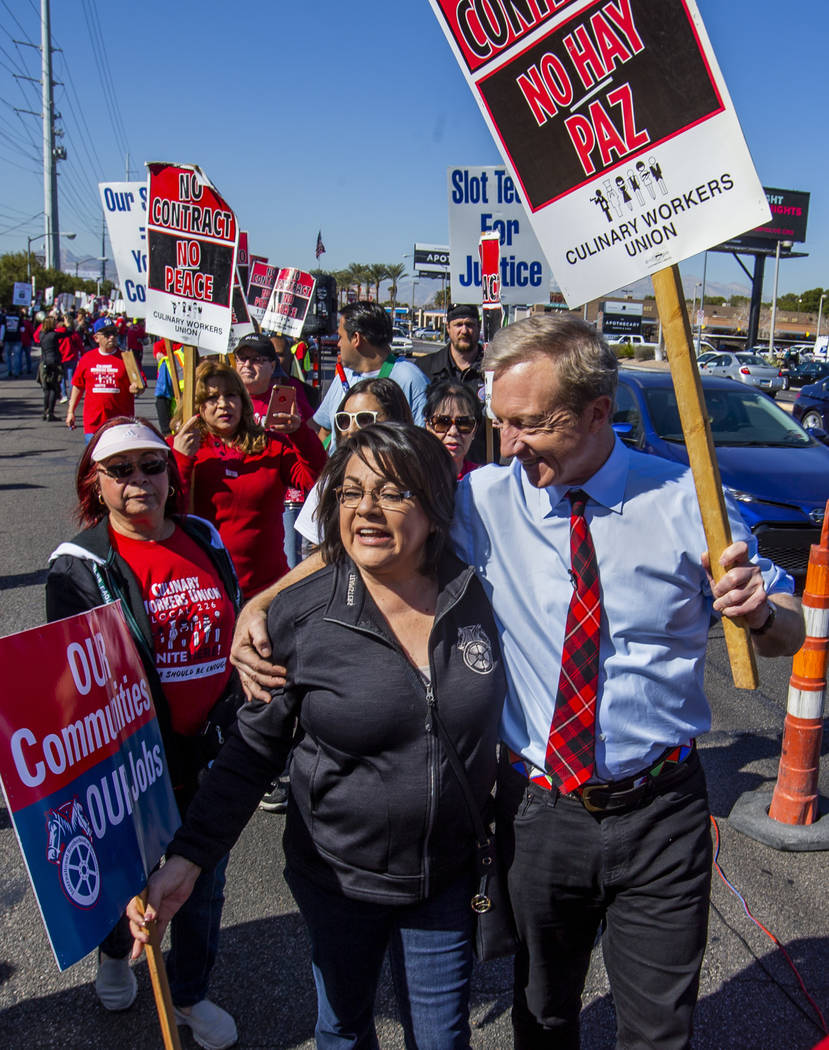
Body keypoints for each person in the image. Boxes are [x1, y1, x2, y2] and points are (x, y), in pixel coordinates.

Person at [231, 315, 805, 1050]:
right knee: (543, 1014)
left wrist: (763, 614)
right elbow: (373, 539)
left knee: (659, 1029)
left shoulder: (688, 499)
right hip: (534, 813)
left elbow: (786, 628)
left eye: (530, 424)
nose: (507, 443)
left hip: (660, 811)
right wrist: (263, 599)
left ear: (599, 412)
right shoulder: (480, 501)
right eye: (499, 422)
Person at [128, 422, 506, 1050]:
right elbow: (251, 755)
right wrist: (188, 859)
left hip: (446, 875)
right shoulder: (301, 614)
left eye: (392, 493)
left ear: (436, 509)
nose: (366, 511)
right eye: (350, 492)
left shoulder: (485, 597)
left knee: (442, 1040)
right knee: (343, 1028)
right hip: (338, 879)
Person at [46, 417, 242, 1050]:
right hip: (130, 755)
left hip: (209, 748)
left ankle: (189, 993)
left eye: (151, 466)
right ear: (95, 482)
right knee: (126, 874)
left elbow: (235, 626)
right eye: (120, 470)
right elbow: (72, 683)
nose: (139, 481)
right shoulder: (79, 563)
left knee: (201, 877)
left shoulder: (204, 536)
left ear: (170, 473)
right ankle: (114, 954)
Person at [170, 360, 325, 601]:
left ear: (243, 400)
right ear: (198, 406)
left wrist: (299, 434)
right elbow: (168, 513)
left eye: (231, 395)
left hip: (267, 590)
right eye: (212, 398)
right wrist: (180, 460)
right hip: (208, 588)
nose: (223, 404)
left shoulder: (271, 444)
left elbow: (315, 479)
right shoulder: (182, 448)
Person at [294, 376, 414, 551]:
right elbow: (313, 548)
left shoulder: (418, 477)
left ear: (396, 421)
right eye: (344, 420)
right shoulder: (331, 479)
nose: (351, 429)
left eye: (364, 419)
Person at [234, 332, 316, 569]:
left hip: (284, 499)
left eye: (256, 359)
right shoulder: (227, 401)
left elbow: (313, 456)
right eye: (242, 358)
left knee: (288, 566)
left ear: (272, 365)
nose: (247, 365)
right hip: (238, 502)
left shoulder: (288, 394)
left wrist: (297, 431)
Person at [312, 301, 429, 447]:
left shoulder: (410, 378)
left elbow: (421, 442)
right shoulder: (343, 376)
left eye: (340, 337)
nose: (338, 344)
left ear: (356, 338)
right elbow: (325, 431)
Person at [417, 304, 494, 464]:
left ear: (479, 327)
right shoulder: (424, 368)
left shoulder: (494, 369)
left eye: (470, 325)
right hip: (434, 467)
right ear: (448, 328)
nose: (464, 331)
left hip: (481, 465)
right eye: (458, 325)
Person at [66, 318, 141, 441]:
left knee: (119, 460)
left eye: (114, 333)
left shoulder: (127, 358)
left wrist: (137, 388)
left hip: (121, 424)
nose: (111, 337)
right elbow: (78, 386)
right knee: (95, 459)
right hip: (94, 424)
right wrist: (71, 412)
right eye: (107, 334)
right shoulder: (87, 359)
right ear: (96, 338)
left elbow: (140, 384)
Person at [424, 379, 482, 480]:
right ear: (428, 426)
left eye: (464, 423)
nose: (453, 432)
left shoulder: (481, 479)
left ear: (474, 430)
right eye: (442, 422)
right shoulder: (416, 478)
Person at [37, 316, 63, 421]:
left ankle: (45, 411)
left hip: (44, 362)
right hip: (54, 362)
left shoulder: (41, 335)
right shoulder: (54, 335)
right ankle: (50, 413)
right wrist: (67, 322)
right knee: (53, 388)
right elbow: (70, 332)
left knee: (46, 389)